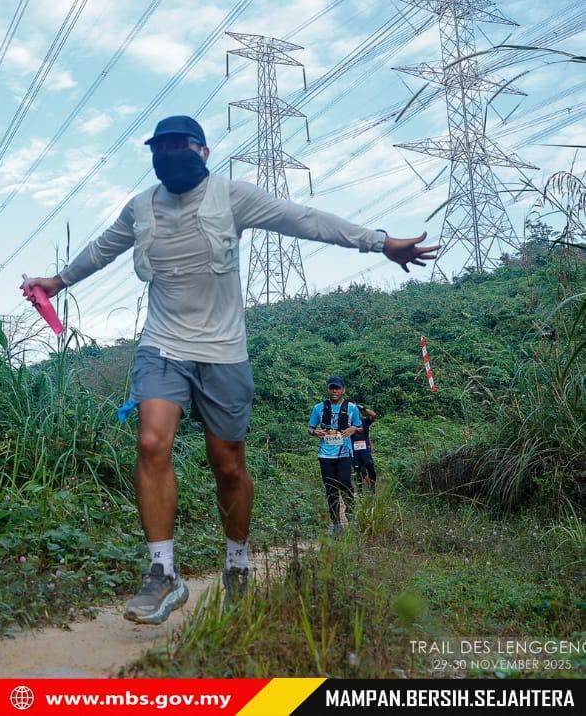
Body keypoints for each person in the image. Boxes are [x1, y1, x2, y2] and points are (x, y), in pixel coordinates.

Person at [22, 115, 438, 624]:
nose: (169, 154)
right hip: (163, 346)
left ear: (203, 151)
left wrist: (379, 241)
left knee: (228, 465)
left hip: (223, 353)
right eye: (159, 148)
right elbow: (101, 249)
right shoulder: (141, 208)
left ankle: (237, 562)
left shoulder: (231, 197)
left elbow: (305, 219)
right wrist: (58, 281)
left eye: (180, 145)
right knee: (151, 441)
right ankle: (163, 572)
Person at [308, 377, 361, 536]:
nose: (334, 391)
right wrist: (315, 432)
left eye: (337, 388)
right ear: (328, 390)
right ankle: (336, 523)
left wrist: (353, 429)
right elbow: (310, 428)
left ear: (343, 390)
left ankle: (350, 517)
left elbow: (360, 427)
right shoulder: (319, 408)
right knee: (330, 489)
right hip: (325, 455)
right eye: (332, 388)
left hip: (344, 453)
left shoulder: (352, 408)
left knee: (345, 484)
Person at [351, 401, 378, 490]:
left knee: (370, 466)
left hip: (365, 449)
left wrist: (362, 407)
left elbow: (373, 415)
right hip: (354, 449)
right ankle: (360, 491)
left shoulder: (364, 421)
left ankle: (372, 487)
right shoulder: (348, 424)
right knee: (357, 470)